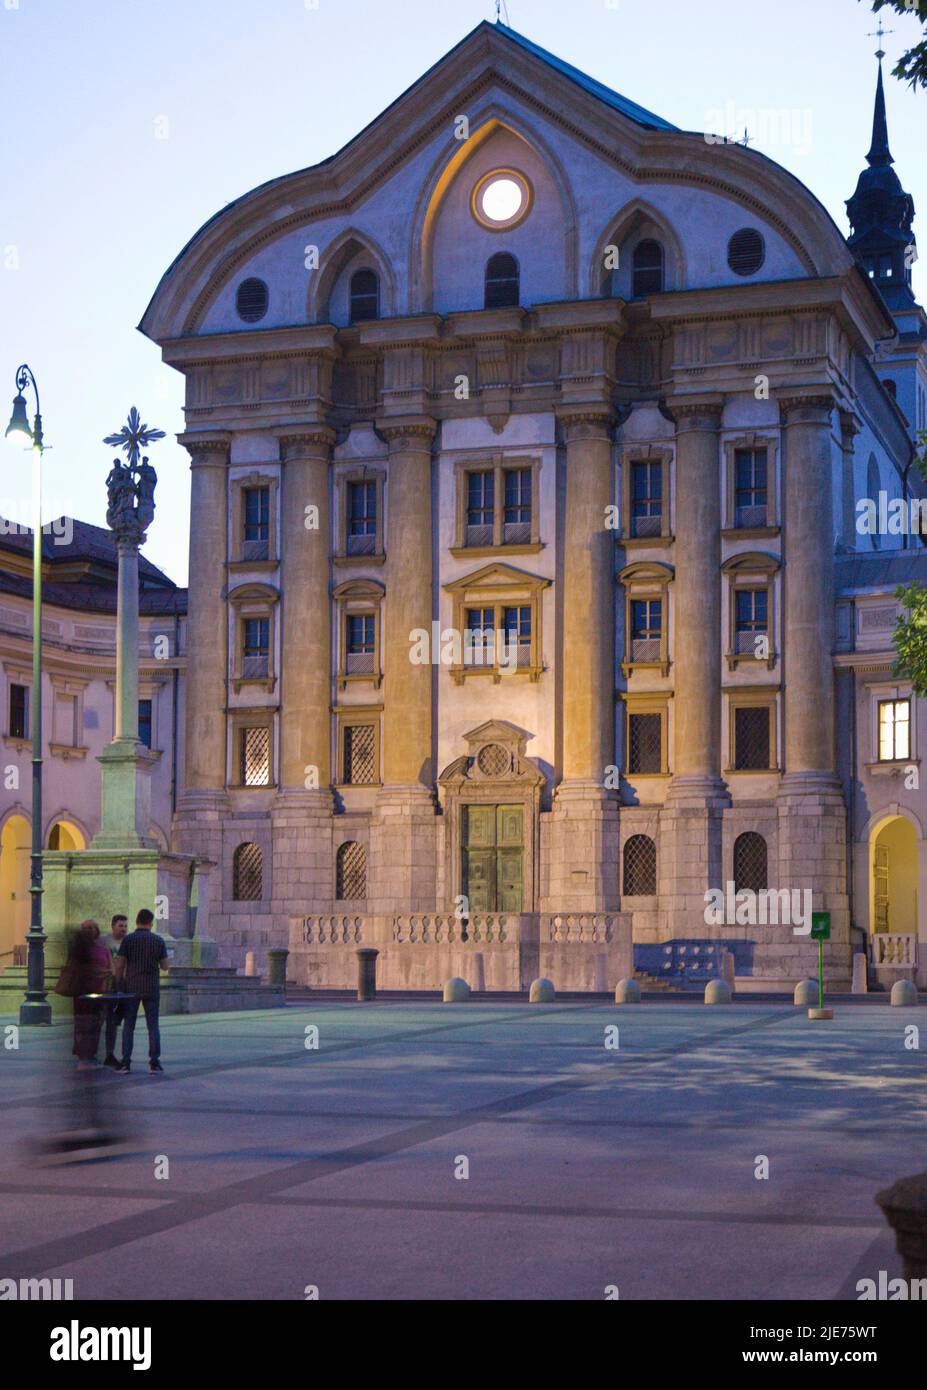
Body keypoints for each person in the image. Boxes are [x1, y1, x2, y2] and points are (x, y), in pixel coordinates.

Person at [114, 908, 168, 1075]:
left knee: (128, 1026)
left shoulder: (128, 940)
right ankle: (154, 1062)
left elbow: (120, 964)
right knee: (153, 1026)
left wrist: (118, 984)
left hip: (132, 988)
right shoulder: (158, 940)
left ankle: (125, 1062)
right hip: (151, 988)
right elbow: (165, 966)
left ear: (137, 921)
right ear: (151, 923)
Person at [70, 920, 113, 1069]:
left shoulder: (103, 949)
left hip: (99, 992)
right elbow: (79, 969)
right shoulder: (78, 949)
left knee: (96, 1024)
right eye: (84, 928)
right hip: (82, 993)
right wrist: (100, 972)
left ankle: (91, 1055)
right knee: (82, 1025)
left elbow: (110, 968)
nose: (87, 930)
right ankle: (83, 1057)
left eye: (90, 928)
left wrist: (104, 976)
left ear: (96, 930)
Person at [102, 914, 128, 1067]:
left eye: (125, 926)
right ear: (113, 926)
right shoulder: (105, 941)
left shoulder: (128, 941)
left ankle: (111, 1053)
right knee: (105, 1020)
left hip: (123, 985)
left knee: (115, 1022)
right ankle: (106, 1053)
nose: (123, 929)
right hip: (108, 985)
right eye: (121, 925)